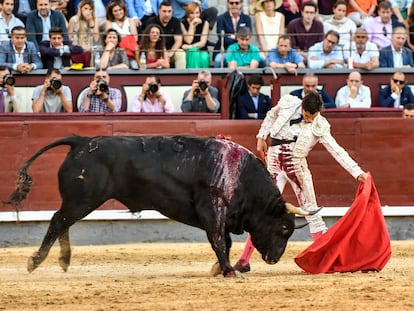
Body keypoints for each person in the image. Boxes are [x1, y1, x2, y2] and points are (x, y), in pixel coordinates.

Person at [233, 91, 369, 273]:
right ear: (302, 106)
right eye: (306, 115)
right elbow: (271, 115)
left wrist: (356, 171)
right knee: (262, 211)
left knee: (311, 211)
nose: (309, 120)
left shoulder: (319, 124)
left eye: (313, 116)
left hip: (297, 168)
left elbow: (337, 151)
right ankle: (244, 260)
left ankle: (323, 259)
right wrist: (261, 136)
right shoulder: (288, 102)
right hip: (274, 165)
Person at [214, 0, 252, 68]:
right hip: (225, 50)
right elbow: (222, 37)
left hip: (243, 51)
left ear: (241, 4)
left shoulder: (247, 18)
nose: (234, 5)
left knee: (261, 60)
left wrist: (232, 37)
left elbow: (248, 35)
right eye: (231, 3)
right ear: (228, 4)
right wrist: (238, 38)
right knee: (218, 60)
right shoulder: (221, 18)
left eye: (237, 3)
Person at [149, 0, 186, 69]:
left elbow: (178, 40)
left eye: (169, 11)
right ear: (159, 11)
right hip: (157, 50)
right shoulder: (152, 22)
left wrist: (170, 54)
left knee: (180, 53)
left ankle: (180, 77)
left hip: (171, 51)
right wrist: (164, 53)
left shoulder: (176, 21)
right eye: (164, 11)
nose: (167, 14)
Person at [104, 0, 139, 67]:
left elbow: (135, 38)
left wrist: (120, 40)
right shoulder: (109, 22)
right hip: (116, 52)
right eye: (115, 11)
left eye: (120, 10)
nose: (118, 12)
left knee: (134, 66)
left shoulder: (130, 21)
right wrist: (126, 39)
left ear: (124, 10)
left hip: (130, 52)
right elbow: (110, 39)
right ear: (111, 12)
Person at [67, 0, 100, 67]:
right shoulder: (73, 19)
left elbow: (96, 39)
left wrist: (91, 22)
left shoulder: (95, 20)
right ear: (80, 8)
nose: (88, 11)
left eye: (90, 9)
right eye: (85, 8)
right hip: (76, 50)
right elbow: (69, 38)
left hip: (89, 50)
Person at [180, 1, 210, 68]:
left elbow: (203, 42)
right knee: (193, 52)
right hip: (189, 51)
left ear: (200, 13)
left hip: (202, 50)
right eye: (192, 13)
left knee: (204, 56)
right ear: (188, 14)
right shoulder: (182, 23)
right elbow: (188, 41)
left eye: (197, 13)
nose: (195, 16)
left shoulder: (205, 23)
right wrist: (191, 26)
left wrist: (190, 46)